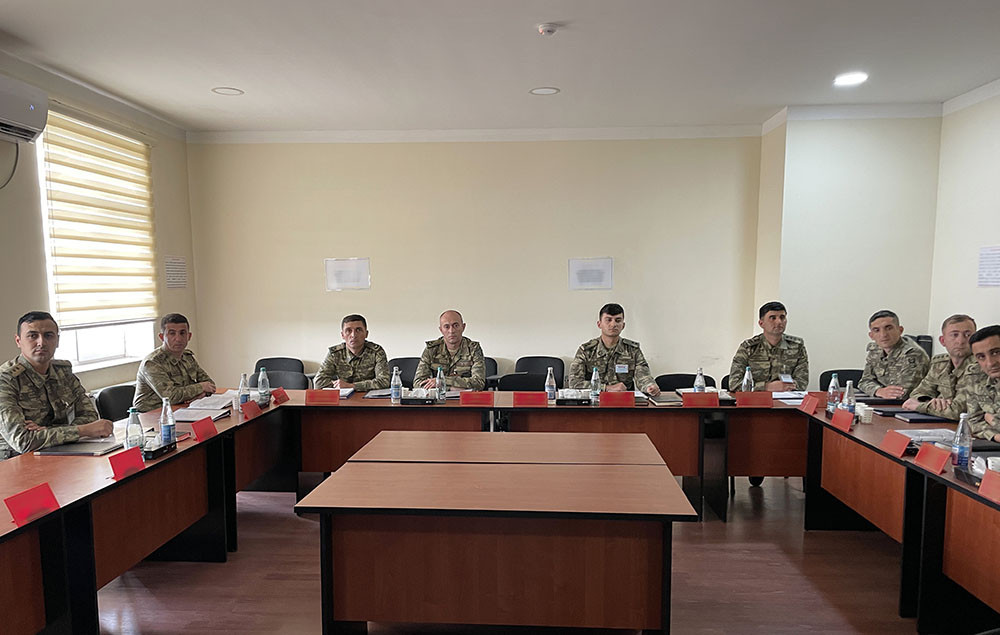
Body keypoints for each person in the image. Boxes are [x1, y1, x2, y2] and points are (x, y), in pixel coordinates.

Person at [0, 311, 113, 460]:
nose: (41, 342)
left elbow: (89, 416)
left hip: (61, 453)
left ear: (57, 340)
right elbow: (23, 441)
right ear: (18, 341)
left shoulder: (63, 371)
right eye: (32, 336)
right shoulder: (6, 379)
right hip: (14, 461)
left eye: (48, 335)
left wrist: (47, 432)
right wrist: (82, 430)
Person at [568, 303, 660, 396]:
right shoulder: (586, 350)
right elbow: (574, 383)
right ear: (599, 324)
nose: (613, 324)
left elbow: (643, 376)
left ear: (623, 325)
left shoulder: (632, 350)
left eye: (618, 320)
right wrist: (606, 388)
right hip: (595, 400)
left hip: (623, 400)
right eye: (608, 320)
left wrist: (650, 387)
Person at [902, 314, 981, 420]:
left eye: (967, 335)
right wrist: (932, 402)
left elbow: (959, 412)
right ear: (943, 341)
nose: (961, 341)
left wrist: (921, 407)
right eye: (954, 335)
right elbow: (917, 394)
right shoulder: (939, 363)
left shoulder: (980, 366)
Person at [133, 313, 215, 412]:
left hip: (182, 410)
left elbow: (210, 384)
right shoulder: (152, 363)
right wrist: (201, 387)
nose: (178, 339)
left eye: (182, 333)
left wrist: (199, 395)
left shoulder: (187, 357)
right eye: (172, 333)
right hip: (153, 415)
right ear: (162, 337)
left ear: (189, 336)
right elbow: (170, 397)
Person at [728, 301, 809, 391]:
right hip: (756, 398)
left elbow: (802, 382)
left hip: (786, 397)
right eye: (772, 318)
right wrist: (766, 387)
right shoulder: (748, 347)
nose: (779, 322)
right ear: (761, 323)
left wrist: (786, 386)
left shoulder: (797, 347)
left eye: (782, 317)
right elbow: (734, 384)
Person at [858, 310, 930, 399]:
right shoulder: (875, 350)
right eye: (877, 330)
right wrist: (878, 391)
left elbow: (902, 394)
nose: (883, 334)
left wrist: (880, 391)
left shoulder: (913, 354)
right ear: (871, 335)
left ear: (900, 330)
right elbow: (864, 382)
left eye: (889, 328)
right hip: (883, 401)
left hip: (907, 404)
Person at [413, 310, 486, 390]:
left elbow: (479, 383)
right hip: (438, 396)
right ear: (441, 330)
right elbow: (418, 382)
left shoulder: (473, 349)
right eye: (446, 327)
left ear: (463, 327)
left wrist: (442, 381)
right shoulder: (431, 349)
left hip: (464, 397)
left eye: (456, 325)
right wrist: (450, 388)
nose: (451, 331)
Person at [314, 314, 389, 391]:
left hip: (369, 396)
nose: (353, 335)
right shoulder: (335, 353)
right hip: (343, 397)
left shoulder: (376, 351)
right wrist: (338, 385)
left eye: (358, 330)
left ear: (366, 334)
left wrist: (351, 386)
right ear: (342, 335)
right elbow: (318, 383)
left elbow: (384, 381)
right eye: (348, 331)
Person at [966, 325, 1000, 441]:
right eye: (981, 357)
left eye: (996, 352)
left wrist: (991, 419)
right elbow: (973, 420)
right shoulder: (975, 375)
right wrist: (995, 436)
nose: (990, 363)